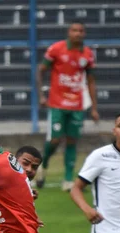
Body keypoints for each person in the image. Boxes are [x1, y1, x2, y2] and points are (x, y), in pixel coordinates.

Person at [36, 21, 99, 191]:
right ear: (68, 32)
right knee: (55, 140)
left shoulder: (87, 54)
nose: (78, 33)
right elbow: (41, 70)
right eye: (74, 30)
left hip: (77, 104)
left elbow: (91, 81)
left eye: (81, 30)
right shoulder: (56, 49)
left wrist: (94, 107)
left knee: (72, 140)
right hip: (57, 103)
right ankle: (44, 162)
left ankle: (68, 179)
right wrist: (41, 95)